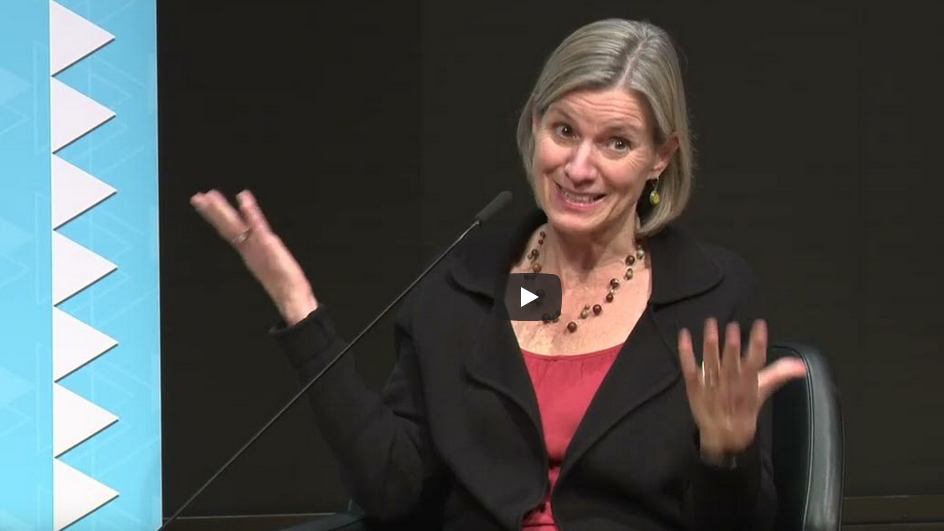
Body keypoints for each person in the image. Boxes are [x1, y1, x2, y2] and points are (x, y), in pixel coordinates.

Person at [191, 18, 807, 531]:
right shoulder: (467, 284)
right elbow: (393, 489)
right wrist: (300, 311)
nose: (580, 167)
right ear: (535, 123)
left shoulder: (713, 294)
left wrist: (726, 455)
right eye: (563, 131)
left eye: (616, 143)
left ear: (660, 159)